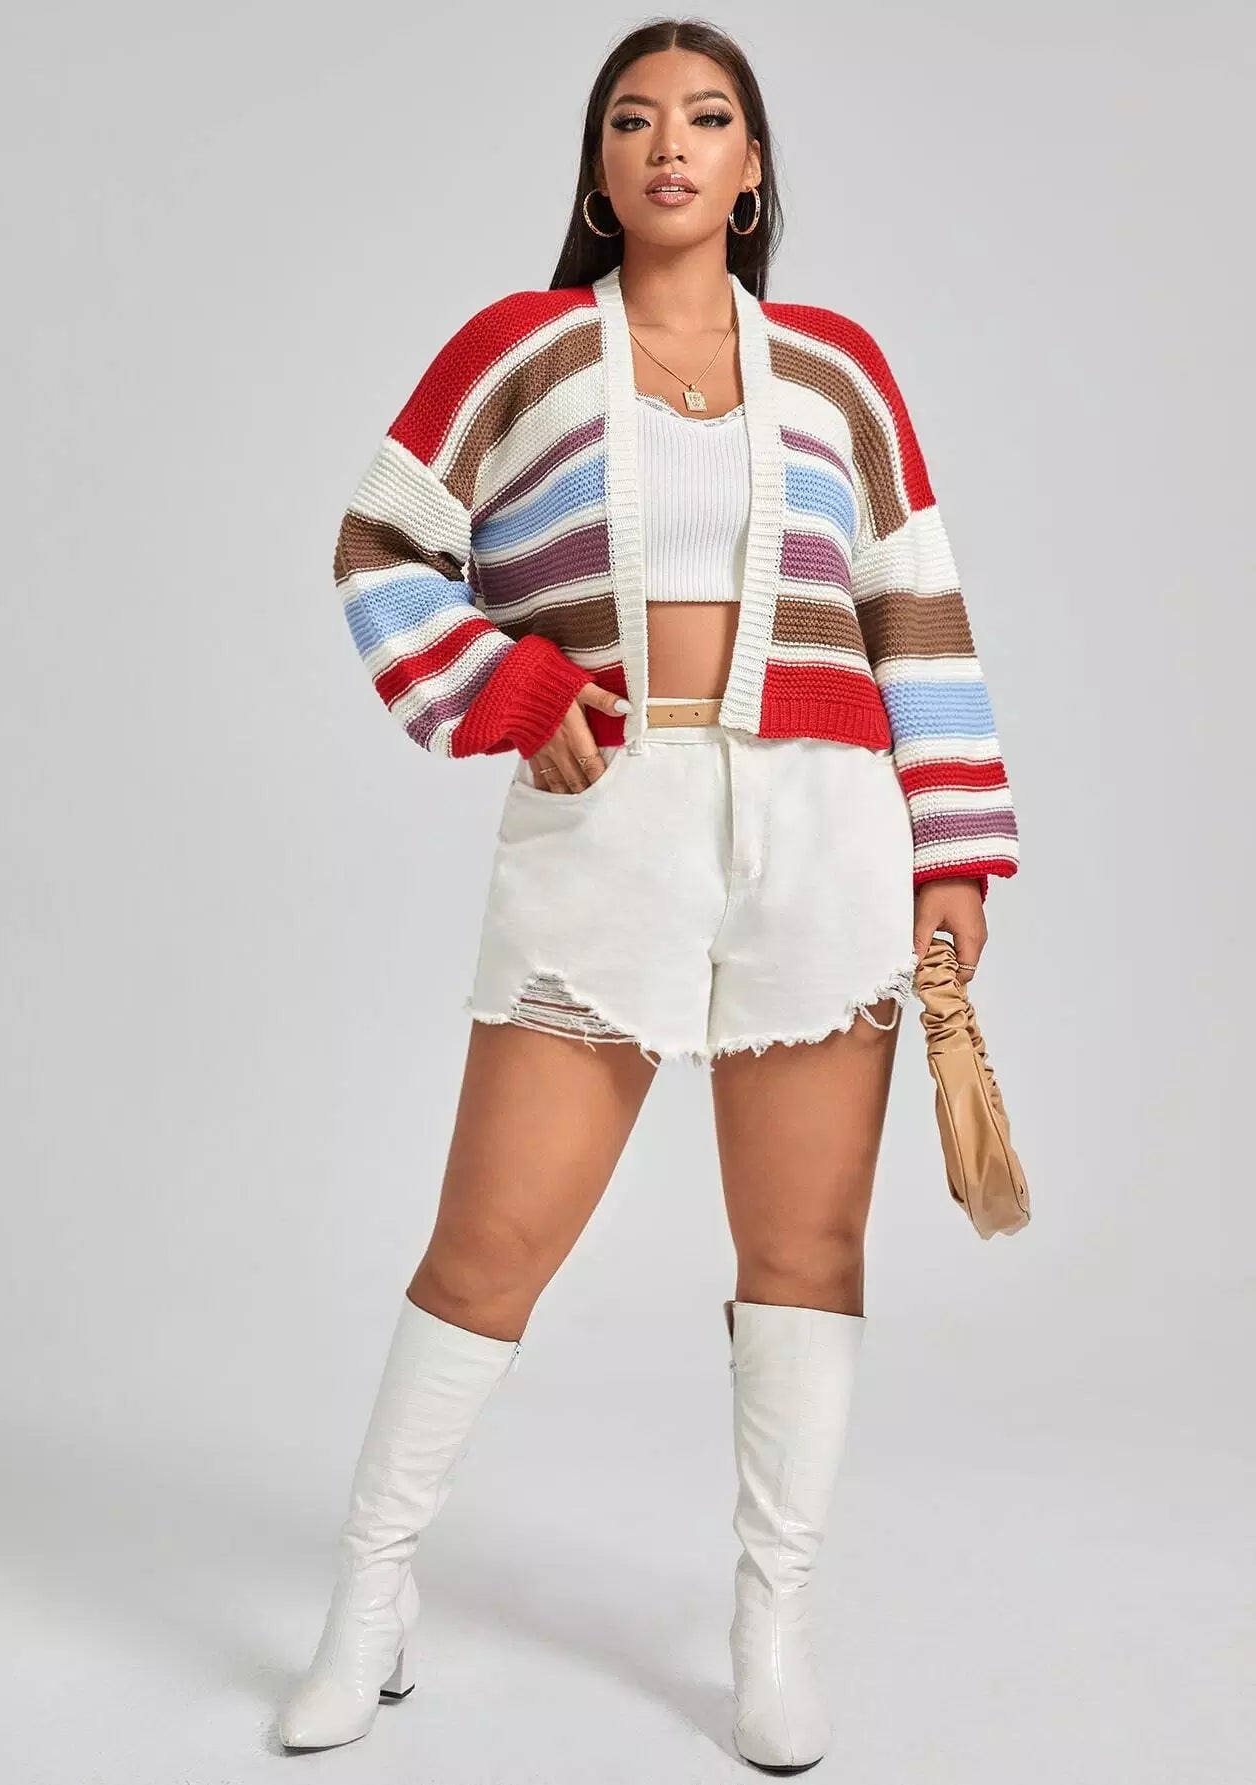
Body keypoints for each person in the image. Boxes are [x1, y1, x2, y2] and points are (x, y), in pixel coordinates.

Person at [277, 17, 1019, 1774]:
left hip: (825, 825)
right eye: (632, 118)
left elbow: (918, 610)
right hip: (608, 821)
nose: (669, 143)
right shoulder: (521, 350)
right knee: (491, 1243)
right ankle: (368, 1598)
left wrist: (955, 849)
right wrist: (510, 689)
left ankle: (773, 1621)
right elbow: (378, 543)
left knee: (806, 1247)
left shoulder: (839, 372)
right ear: (599, 167)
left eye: (706, 117)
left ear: (752, 169)